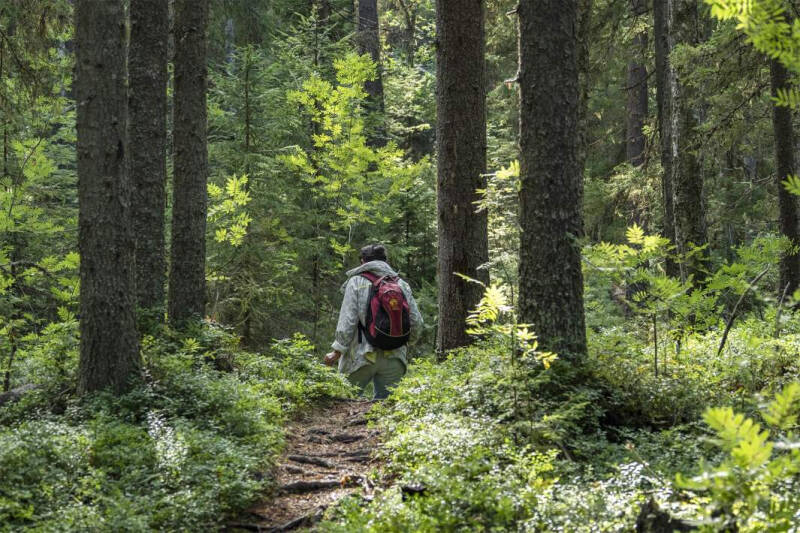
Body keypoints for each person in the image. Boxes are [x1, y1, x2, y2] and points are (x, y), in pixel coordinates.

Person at [325, 244, 423, 399]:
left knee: (343, 405)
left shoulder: (356, 282)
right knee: (387, 414)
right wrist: (404, 343)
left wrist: (337, 351)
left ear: (363, 262)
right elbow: (417, 322)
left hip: (360, 357)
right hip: (394, 358)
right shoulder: (401, 285)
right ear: (386, 261)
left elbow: (347, 320)